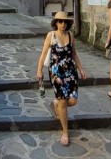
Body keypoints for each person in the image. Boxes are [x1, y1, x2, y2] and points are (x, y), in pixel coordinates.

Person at [35, 11, 87, 146]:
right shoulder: (51, 36)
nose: (63, 24)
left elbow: (74, 53)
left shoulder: (70, 35)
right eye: (60, 21)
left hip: (71, 72)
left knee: (73, 101)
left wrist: (81, 69)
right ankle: (65, 132)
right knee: (63, 103)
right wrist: (39, 70)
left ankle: (56, 104)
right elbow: (43, 54)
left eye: (65, 22)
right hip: (56, 73)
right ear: (55, 23)